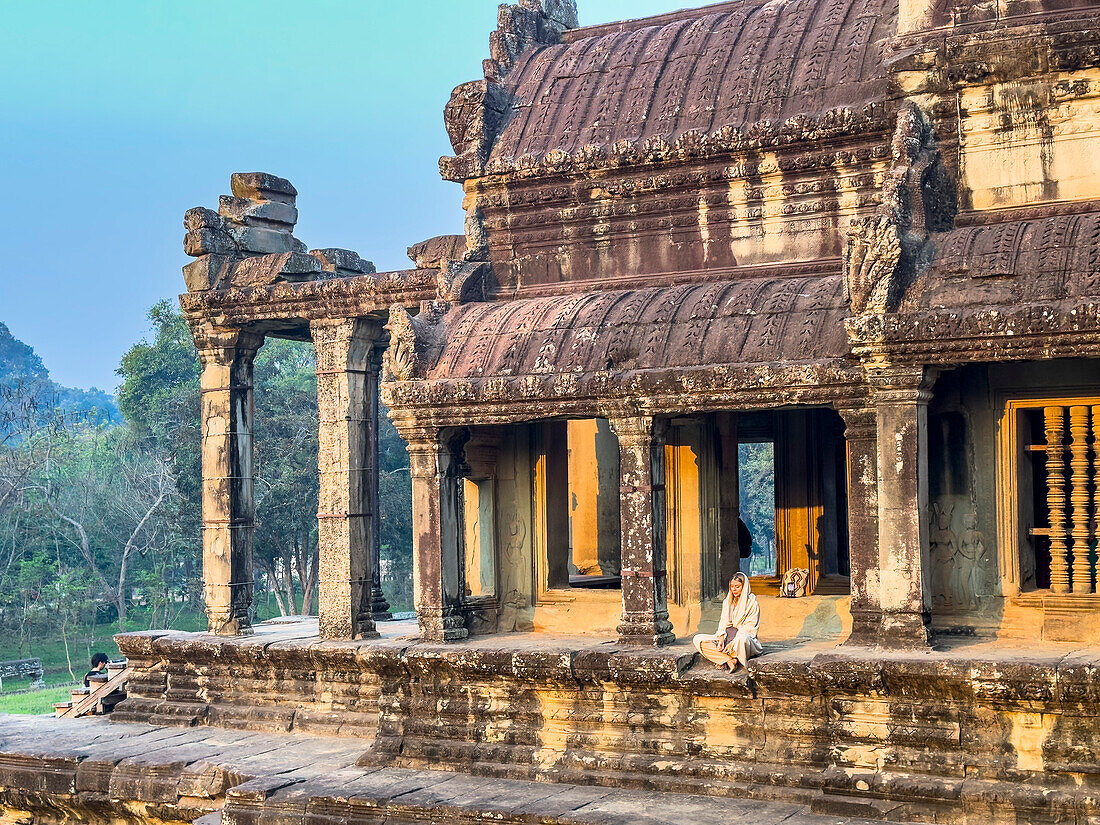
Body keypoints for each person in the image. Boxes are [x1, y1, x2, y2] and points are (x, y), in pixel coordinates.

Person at [692, 573, 763, 672]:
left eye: (737, 587)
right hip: (726, 638)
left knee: (742, 640)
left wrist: (733, 642)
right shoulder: (727, 602)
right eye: (732, 587)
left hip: (742, 640)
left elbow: (750, 629)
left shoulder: (752, 603)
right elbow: (723, 623)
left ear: (744, 586)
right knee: (698, 639)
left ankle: (722, 658)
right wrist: (721, 640)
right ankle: (729, 659)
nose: (734, 589)